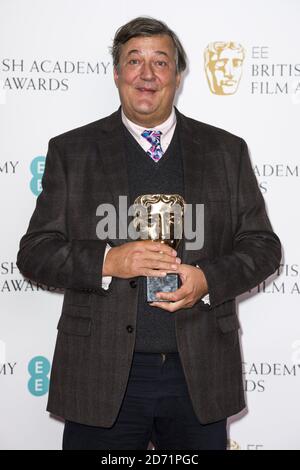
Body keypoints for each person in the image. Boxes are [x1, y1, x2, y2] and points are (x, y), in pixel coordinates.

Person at [17, 17, 281, 450]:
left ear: (178, 75)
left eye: (160, 62)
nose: (147, 74)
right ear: (117, 73)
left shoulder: (225, 151)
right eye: (133, 61)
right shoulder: (72, 151)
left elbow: (264, 248)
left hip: (197, 372)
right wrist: (108, 261)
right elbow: (35, 253)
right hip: (100, 373)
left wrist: (208, 279)